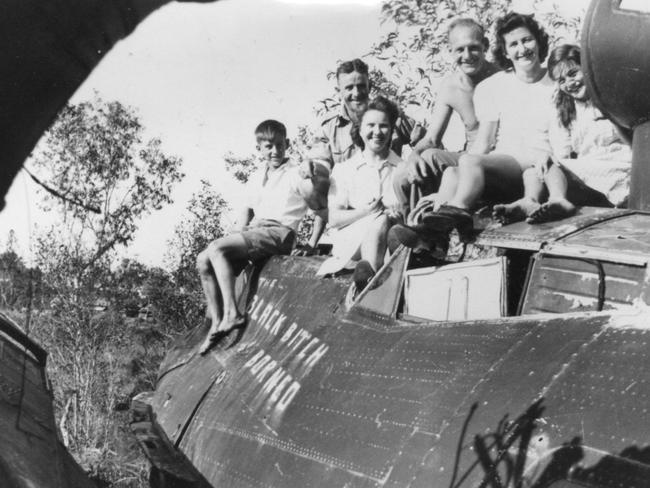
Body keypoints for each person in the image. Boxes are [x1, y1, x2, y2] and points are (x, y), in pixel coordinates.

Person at [391, 12, 555, 248]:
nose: (522, 49)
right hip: (503, 157)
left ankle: (456, 211)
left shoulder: (549, 84)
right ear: (506, 51)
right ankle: (431, 239)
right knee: (452, 173)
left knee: (469, 163)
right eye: (514, 44)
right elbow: (484, 141)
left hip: (530, 161)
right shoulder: (499, 84)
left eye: (527, 40)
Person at [196, 120, 323, 354]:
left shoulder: (297, 173)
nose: (274, 151)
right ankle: (216, 323)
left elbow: (320, 209)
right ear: (259, 149)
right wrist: (235, 234)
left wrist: (312, 243)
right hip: (257, 230)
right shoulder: (257, 176)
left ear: (288, 143)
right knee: (203, 259)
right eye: (268, 146)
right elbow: (246, 210)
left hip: (279, 232)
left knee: (216, 249)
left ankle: (233, 314)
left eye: (279, 145)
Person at [302, 58, 422, 252]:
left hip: (387, 202)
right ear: (339, 90)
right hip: (347, 206)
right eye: (349, 87)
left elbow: (425, 141)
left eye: (361, 86)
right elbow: (325, 175)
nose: (356, 93)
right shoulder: (330, 126)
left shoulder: (389, 115)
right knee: (307, 185)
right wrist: (310, 167)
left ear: (370, 86)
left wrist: (418, 151)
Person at [510, 44, 632, 224]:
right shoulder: (565, 108)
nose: (569, 83)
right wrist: (546, 156)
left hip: (619, 165)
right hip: (588, 167)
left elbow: (633, 142)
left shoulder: (611, 96)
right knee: (536, 169)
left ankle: (559, 200)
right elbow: (562, 153)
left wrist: (608, 114)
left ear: (588, 69)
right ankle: (530, 201)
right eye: (561, 80)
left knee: (552, 164)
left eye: (573, 73)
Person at [392, 17, 499, 215]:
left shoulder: (500, 78)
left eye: (474, 47)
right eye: (460, 49)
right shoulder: (450, 87)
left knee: (431, 158)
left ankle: (427, 229)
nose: (467, 56)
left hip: (498, 158)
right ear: (450, 51)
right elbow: (432, 138)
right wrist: (414, 156)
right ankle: (418, 226)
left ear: (485, 46)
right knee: (411, 171)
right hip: (469, 157)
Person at [316, 96, 403, 291]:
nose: (377, 132)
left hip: (391, 238)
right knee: (379, 219)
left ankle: (368, 274)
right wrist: (366, 212)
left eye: (384, 126)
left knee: (385, 221)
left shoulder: (402, 168)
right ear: (360, 129)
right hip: (352, 239)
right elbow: (334, 219)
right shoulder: (344, 169)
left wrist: (398, 217)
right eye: (370, 125)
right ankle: (370, 276)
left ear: (391, 130)